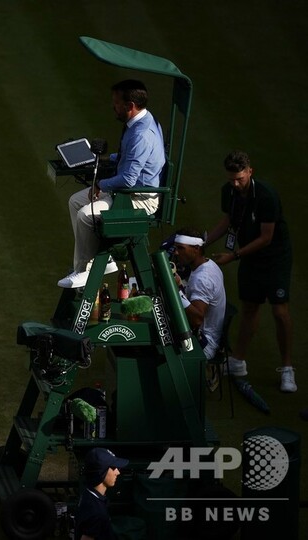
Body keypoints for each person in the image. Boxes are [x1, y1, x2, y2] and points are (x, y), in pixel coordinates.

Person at [59, 79, 166, 288]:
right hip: (126, 192)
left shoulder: (142, 134)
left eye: (116, 103)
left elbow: (128, 179)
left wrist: (100, 185)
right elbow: (133, 157)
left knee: (86, 214)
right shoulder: (142, 120)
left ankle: (84, 270)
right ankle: (103, 260)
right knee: (75, 201)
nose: (113, 106)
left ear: (130, 106)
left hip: (139, 198)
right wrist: (111, 159)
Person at [205, 151, 296, 392]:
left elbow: (266, 238)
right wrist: (203, 242)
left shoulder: (266, 196)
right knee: (249, 308)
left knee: (279, 311)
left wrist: (234, 256)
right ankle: (238, 362)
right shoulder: (229, 192)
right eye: (231, 179)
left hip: (275, 259)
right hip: (250, 257)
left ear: (250, 172)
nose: (235, 184)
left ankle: (287, 368)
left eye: (240, 179)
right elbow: (228, 220)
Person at [172, 228, 226, 361]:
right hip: (207, 337)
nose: (176, 252)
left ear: (196, 249)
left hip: (203, 346)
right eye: (175, 248)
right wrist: (180, 285)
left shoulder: (202, 279)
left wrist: (175, 290)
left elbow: (196, 320)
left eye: (181, 248)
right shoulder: (209, 264)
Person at [75, 448, 128, 540]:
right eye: (113, 468)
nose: (118, 472)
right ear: (101, 472)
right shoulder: (97, 512)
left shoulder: (89, 494)